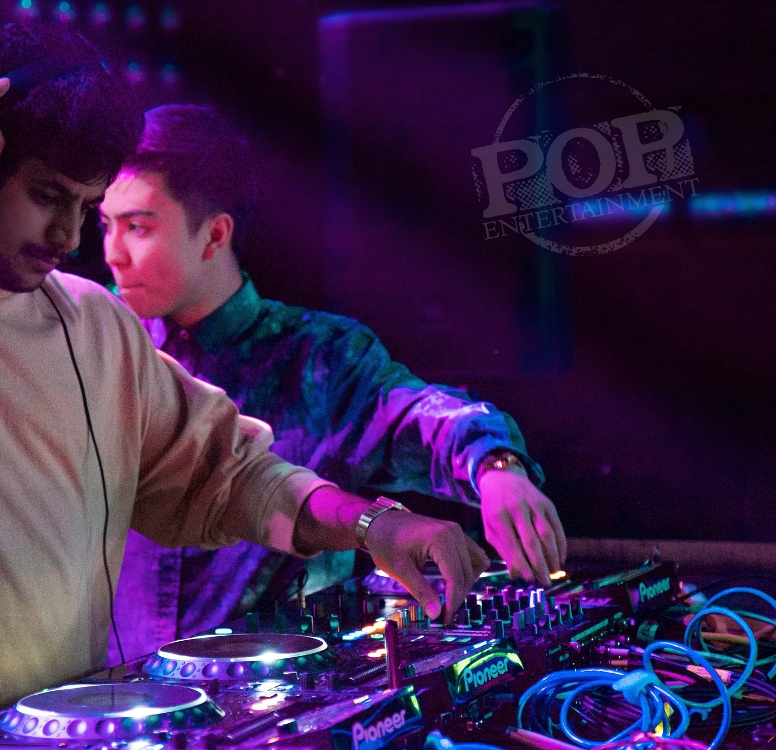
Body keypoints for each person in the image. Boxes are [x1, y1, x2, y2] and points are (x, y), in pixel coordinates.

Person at [0, 25, 488, 749]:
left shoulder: (93, 323)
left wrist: (373, 524)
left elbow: (230, 473)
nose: (70, 236)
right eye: (47, 197)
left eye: (88, 206)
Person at [100, 104, 567, 662]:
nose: (112, 253)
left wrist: (497, 467)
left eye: (138, 227)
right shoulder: (107, 346)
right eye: (105, 225)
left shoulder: (319, 358)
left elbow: (423, 417)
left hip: (285, 697)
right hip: (118, 696)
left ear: (215, 234)